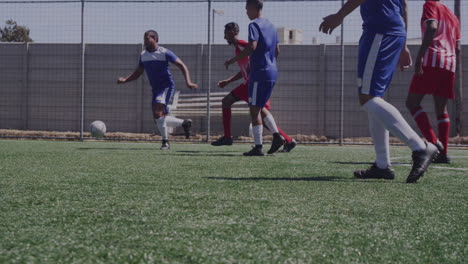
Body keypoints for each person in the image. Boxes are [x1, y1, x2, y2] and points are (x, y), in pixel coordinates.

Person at [319, 0, 438, 183]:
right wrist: (403, 43)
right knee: (374, 97)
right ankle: (382, 165)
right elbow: (404, 4)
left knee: (367, 98)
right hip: (390, 31)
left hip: (380, 31)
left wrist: (339, 15)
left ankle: (420, 147)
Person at [212, 22, 297, 153]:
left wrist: (263, 66)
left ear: (234, 32)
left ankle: (283, 141)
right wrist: (228, 81)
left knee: (258, 113)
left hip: (255, 83)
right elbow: (245, 70)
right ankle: (286, 140)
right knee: (236, 105)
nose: (225, 37)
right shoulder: (238, 48)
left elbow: (257, 51)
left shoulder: (243, 45)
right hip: (248, 84)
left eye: (226, 34)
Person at [117, 30, 198, 150]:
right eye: (144, 38)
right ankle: (184, 123)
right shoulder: (143, 55)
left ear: (155, 39)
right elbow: (138, 72)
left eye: (147, 38)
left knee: (157, 113)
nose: (145, 41)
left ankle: (165, 142)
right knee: (158, 119)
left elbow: (182, 66)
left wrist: (188, 81)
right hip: (155, 89)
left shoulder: (164, 52)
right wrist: (125, 80)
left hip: (166, 87)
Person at [225, 0, 285, 156]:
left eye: (246, 9)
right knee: (260, 107)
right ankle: (277, 137)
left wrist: (233, 60)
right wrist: (268, 63)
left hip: (259, 73)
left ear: (253, 7)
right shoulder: (271, 25)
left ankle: (258, 147)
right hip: (272, 71)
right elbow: (277, 50)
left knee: (254, 109)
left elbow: (252, 46)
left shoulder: (254, 25)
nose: (246, 12)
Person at [405, 0, 461, 164]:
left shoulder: (430, 5)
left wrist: (420, 55)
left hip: (432, 59)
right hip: (450, 64)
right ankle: (443, 154)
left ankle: (433, 144)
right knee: (441, 109)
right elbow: (458, 48)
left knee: (412, 103)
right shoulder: (453, 16)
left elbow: (432, 27)